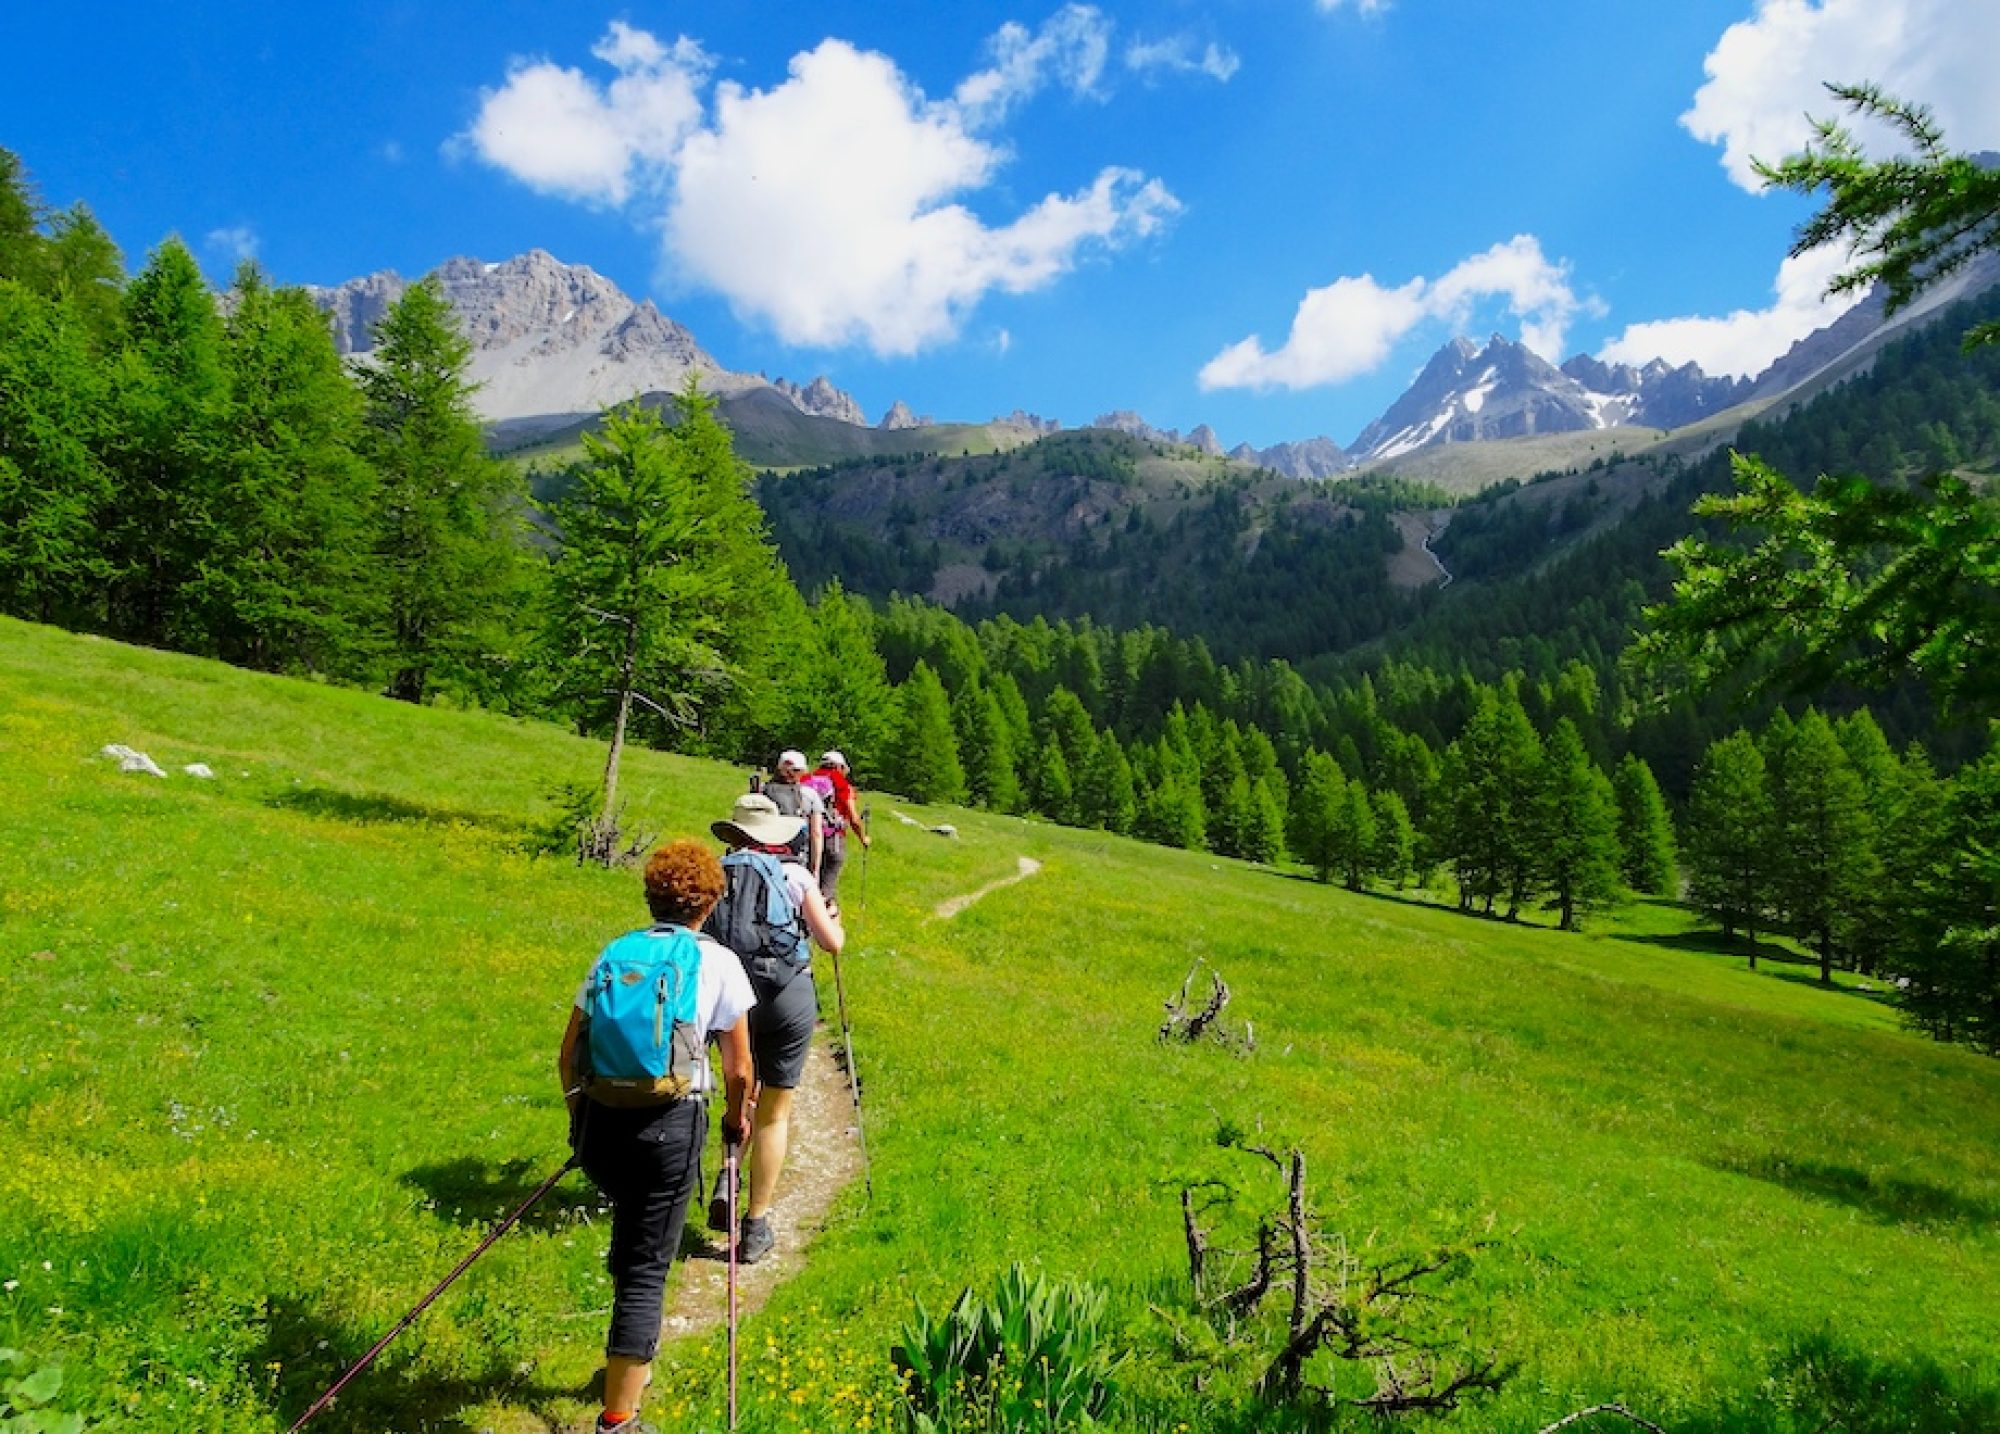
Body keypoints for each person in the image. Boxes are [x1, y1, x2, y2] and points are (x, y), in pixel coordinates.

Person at [559, 840, 755, 1434]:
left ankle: (623, 1361)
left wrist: (580, 1119)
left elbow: (568, 1055)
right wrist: (735, 1121)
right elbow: (741, 1069)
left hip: (601, 1120)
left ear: (652, 895)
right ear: (710, 902)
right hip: (668, 1125)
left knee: (631, 1239)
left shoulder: (614, 952)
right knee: (648, 1266)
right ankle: (619, 1417)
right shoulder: (718, 962)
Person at [704, 793, 845, 1264]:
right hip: (786, 993)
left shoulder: (715, 872)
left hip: (729, 995)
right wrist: (834, 920)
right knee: (774, 1112)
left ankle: (728, 1171)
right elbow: (832, 943)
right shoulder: (796, 874)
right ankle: (757, 1224)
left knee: (738, 1087)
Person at [808, 750, 870, 912]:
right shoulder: (842, 786)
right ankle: (819, 921)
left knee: (812, 877)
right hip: (832, 838)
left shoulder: (808, 780)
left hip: (807, 836)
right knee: (828, 882)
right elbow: (854, 817)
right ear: (840, 767)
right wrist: (863, 838)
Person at [760, 749, 825, 878]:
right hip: (797, 858)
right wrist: (815, 869)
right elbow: (816, 834)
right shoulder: (809, 795)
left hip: (765, 856)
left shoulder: (762, 790)